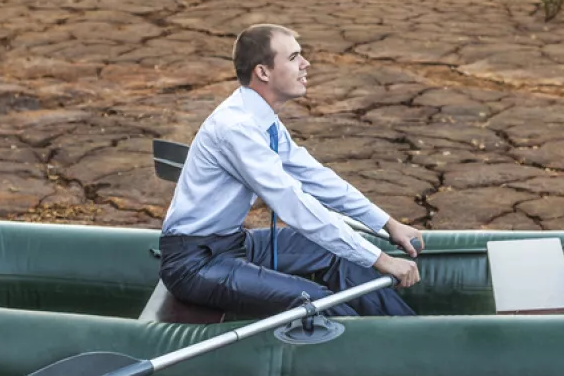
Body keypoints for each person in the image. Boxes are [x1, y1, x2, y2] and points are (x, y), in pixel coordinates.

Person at [159, 23, 422, 318]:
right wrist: (381, 259)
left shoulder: (262, 118)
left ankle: (408, 331)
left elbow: (315, 177)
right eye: (294, 57)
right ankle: (376, 342)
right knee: (316, 300)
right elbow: (293, 203)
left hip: (233, 243)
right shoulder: (236, 128)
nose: (305, 63)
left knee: (337, 253)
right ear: (263, 72)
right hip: (195, 263)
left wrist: (387, 223)